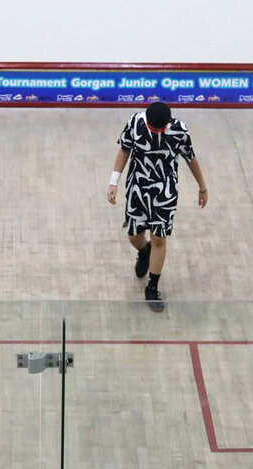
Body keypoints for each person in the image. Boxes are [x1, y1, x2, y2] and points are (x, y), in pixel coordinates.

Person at [107, 102, 208, 312]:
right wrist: (113, 182)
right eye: (153, 129)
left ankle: (152, 288)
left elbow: (191, 158)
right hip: (137, 188)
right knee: (134, 236)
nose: (157, 133)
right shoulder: (135, 122)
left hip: (165, 192)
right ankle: (144, 251)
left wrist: (202, 188)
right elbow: (124, 150)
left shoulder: (180, 131)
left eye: (160, 130)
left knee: (159, 238)